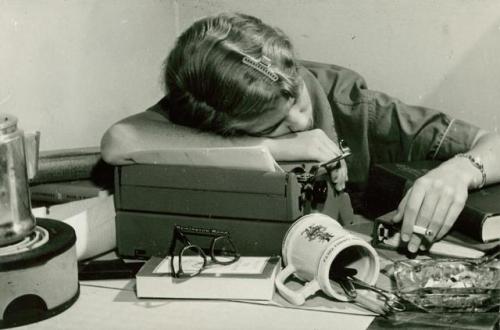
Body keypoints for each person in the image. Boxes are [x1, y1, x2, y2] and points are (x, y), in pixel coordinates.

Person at [101, 12, 500, 253]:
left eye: (293, 96)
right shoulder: (208, 103)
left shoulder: (354, 106)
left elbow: (492, 142)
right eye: (273, 122)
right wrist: (277, 146)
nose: (297, 120)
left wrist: (461, 171)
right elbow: (119, 142)